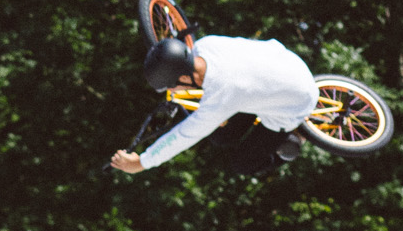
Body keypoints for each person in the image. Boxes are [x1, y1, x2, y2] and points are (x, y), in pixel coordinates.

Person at [110, 31, 317, 176]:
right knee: (221, 136)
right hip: (287, 62)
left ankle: (296, 138)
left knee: (242, 164)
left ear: (183, 78)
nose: (171, 91)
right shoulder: (205, 45)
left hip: (296, 100)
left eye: (171, 86)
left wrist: (141, 163)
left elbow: (182, 137)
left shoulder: (221, 95)